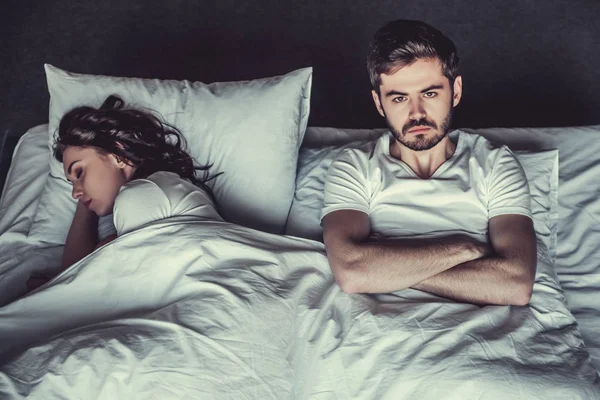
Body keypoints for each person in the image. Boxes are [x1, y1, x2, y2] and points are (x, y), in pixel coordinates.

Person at [321, 20, 537, 306]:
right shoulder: (355, 167)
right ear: (379, 103)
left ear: (456, 91)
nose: (416, 113)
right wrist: (465, 249)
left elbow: (516, 284)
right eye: (399, 98)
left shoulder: (495, 164)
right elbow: (351, 272)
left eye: (430, 93)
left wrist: (385, 268)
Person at [26, 95, 221, 290]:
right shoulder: (156, 189)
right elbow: (72, 272)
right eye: (71, 183)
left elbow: (89, 286)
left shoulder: (140, 194)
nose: (74, 193)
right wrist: (85, 197)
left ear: (118, 155)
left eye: (80, 172)